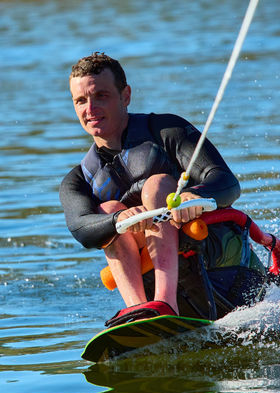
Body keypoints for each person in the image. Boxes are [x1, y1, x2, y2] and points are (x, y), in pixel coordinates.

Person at [59, 52, 241, 325]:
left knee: (157, 186)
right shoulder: (78, 180)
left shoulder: (167, 131)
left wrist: (196, 196)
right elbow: (81, 229)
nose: (90, 108)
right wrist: (117, 219)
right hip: (154, 270)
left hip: (216, 258)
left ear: (126, 96)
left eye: (101, 96)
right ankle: (141, 313)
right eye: (80, 101)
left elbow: (227, 183)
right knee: (108, 212)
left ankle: (165, 303)